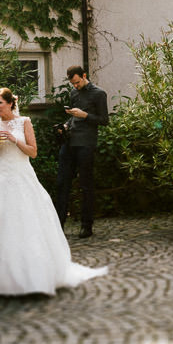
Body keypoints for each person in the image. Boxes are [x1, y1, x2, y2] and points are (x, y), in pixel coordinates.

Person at [0, 88, 105, 295]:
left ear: (10, 103)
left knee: (27, 222)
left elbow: (34, 152)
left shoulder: (25, 122)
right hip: (1, 177)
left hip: (22, 176)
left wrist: (14, 140)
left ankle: (32, 274)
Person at [55, 65, 108, 239]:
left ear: (84, 76)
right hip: (70, 142)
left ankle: (87, 226)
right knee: (62, 183)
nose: (75, 86)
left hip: (86, 144)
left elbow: (104, 120)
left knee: (86, 185)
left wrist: (85, 115)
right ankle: (58, 225)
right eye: (72, 84)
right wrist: (66, 124)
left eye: (77, 82)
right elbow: (73, 116)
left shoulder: (99, 94)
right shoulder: (73, 94)